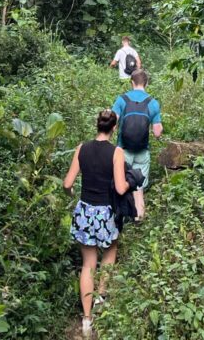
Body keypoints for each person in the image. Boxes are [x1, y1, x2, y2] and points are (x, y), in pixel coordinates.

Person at [63, 109, 129, 338]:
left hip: (84, 211)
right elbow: (120, 188)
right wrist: (131, 183)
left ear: (97, 126)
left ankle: (86, 320)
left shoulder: (82, 148)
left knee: (87, 264)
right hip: (105, 212)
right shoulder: (116, 153)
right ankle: (101, 295)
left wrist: (72, 192)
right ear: (114, 129)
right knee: (111, 249)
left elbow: (67, 182)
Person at [112, 68, 162, 220]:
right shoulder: (152, 103)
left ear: (132, 82)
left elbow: (112, 124)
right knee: (138, 187)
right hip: (142, 150)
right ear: (146, 83)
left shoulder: (122, 99)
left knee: (121, 183)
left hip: (123, 149)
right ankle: (139, 218)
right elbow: (157, 132)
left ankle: (120, 218)